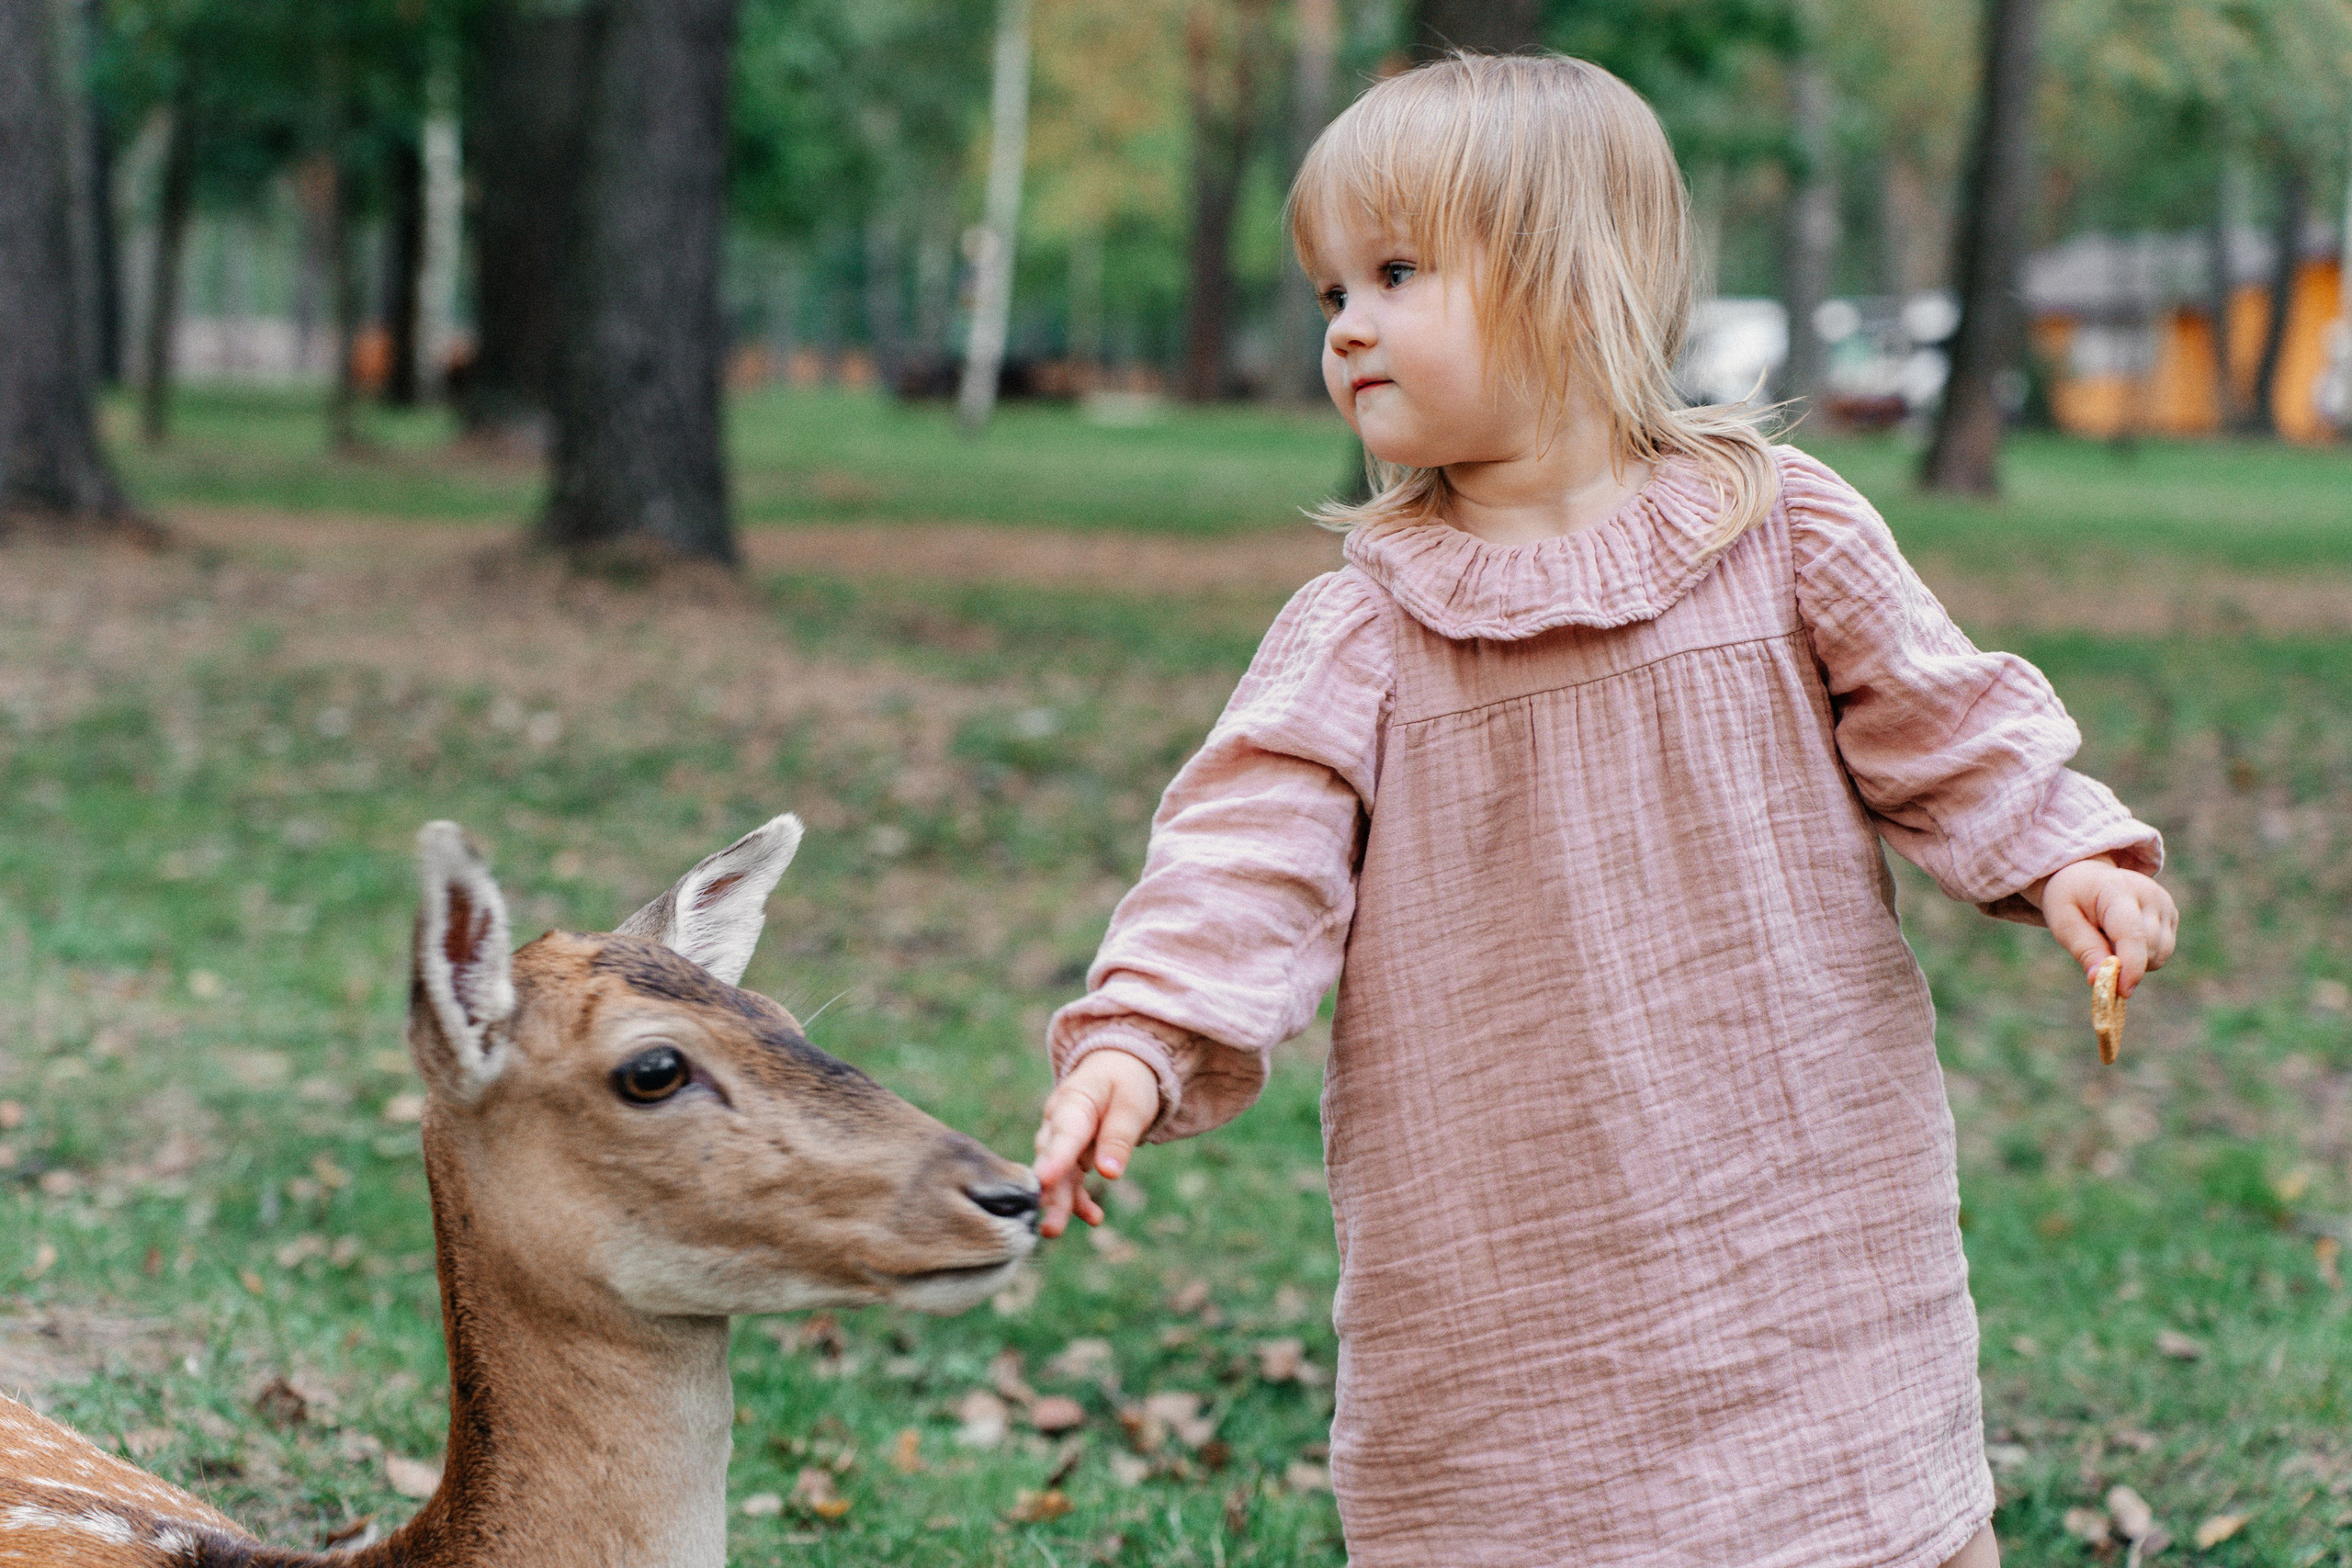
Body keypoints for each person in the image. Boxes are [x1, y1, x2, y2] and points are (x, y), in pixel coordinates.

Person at [1031, 52, 2177, 1568]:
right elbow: (1247, 855)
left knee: (1876, 1511)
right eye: (1328, 296)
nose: (1349, 325)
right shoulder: (1362, 632)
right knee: (1536, 1504)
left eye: (1393, 271)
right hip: (1514, 1234)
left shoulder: (1782, 531)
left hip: (1800, 1183)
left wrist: (2069, 852)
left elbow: (1944, 720)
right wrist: (1142, 1037)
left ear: (1577, 276)